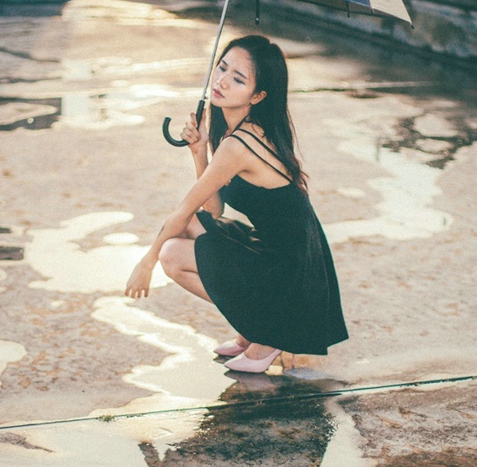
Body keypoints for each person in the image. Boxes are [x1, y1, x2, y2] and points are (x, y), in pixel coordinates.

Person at [124, 35, 347, 373]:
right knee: (192, 228)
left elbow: (184, 209)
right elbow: (212, 210)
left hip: (292, 274)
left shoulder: (239, 144)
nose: (222, 81)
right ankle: (254, 328)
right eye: (222, 67)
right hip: (284, 254)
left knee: (171, 253)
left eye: (238, 79)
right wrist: (199, 151)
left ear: (258, 96)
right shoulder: (239, 131)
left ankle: (268, 332)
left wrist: (147, 262)